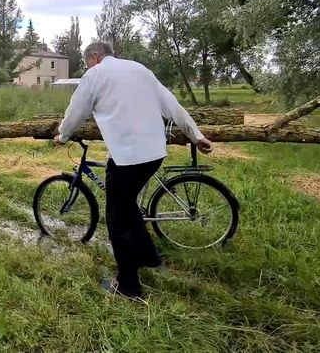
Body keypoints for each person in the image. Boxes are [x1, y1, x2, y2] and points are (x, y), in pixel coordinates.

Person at [53, 42, 214, 299]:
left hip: (128, 158)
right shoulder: (140, 69)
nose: (87, 67)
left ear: (94, 57)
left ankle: (128, 286)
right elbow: (171, 104)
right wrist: (196, 135)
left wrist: (62, 135)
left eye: (86, 63)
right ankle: (149, 257)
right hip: (154, 154)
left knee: (118, 220)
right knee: (128, 207)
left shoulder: (95, 74)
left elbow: (76, 112)